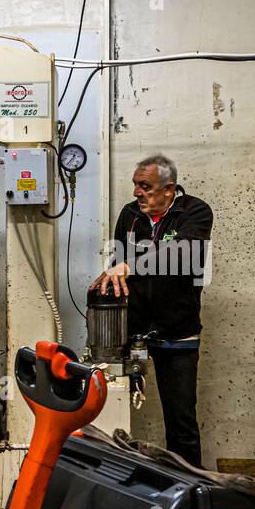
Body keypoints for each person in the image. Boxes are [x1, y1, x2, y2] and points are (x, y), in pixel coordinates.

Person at [90, 155, 213, 467]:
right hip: (132, 335)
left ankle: (190, 490)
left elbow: (183, 254)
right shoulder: (129, 215)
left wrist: (130, 267)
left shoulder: (195, 211)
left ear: (169, 189)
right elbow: (116, 264)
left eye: (145, 186)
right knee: (111, 408)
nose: (136, 193)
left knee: (181, 422)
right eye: (135, 185)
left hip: (178, 335)